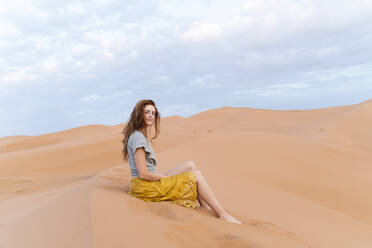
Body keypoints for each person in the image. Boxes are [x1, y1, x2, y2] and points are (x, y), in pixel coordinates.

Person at [121, 99, 242, 224]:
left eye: (153, 113)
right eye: (147, 112)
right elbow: (143, 173)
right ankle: (223, 214)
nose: (150, 116)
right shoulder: (138, 138)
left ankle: (205, 207)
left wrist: (164, 177)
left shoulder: (139, 135)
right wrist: (164, 178)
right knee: (197, 175)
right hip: (145, 186)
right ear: (139, 114)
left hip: (146, 182)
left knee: (190, 165)